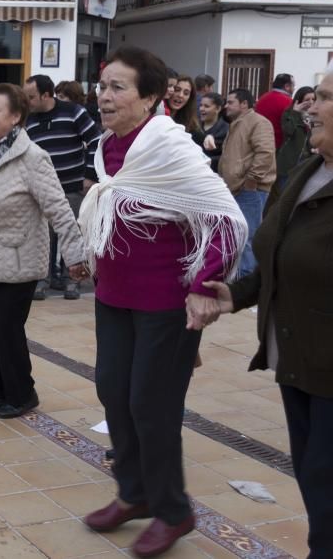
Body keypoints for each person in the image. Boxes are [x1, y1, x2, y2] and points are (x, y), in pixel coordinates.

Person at [78, 46, 246, 558]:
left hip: (165, 303)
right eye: (102, 86)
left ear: (150, 97)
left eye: (118, 87)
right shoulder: (106, 146)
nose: (104, 96)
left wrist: (203, 285)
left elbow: (222, 217)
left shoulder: (171, 147)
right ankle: (133, 493)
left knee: (152, 405)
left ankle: (174, 510)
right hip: (114, 296)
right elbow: (108, 204)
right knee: (113, 392)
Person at [203, 69, 333, 559]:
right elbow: (277, 249)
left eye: (322, 98)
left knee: (325, 480)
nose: (308, 107)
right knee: (314, 477)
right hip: (299, 358)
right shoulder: (308, 168)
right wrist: (234, 294)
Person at [0, 83, 86, 419]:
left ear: (16, 117)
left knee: (5, 328)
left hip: (18, 257)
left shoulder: (33, 159)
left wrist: (75, 254)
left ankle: (22, 394)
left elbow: (58, 209)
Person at [23, 73, 100, 300]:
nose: (27, 102)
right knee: (43, 238)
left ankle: (71, 280)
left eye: (31, 97)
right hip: (43, 191)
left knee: (72, 234)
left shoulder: (73, 112)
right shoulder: (28, 119)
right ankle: (42, 279)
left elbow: (95, 140)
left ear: (46, 95)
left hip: (72, 186)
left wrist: (89, 174)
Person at [219, 88, 276, 278]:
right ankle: (238, 278)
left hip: (250, 190)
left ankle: (245, 280)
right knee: (238, 235)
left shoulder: (259, 122)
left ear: (244, 104)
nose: (226, 106)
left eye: (230, 102)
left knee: (247, 236)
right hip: (237, 189)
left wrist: (251, 181)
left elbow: (265, 153)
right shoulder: (237, 123)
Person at [276, 86, 316, 187]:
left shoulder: (316, 115)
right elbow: (288, 131)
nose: (311, 102)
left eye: (313, 99)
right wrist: (295, 113)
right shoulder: (289, 113)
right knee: (286, 192)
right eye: (307, 99)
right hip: (290, 160)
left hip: (308, 160)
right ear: (299, 100)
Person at [255, 73, 295, 149]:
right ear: (287, 86)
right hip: (278, 146)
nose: (294, 88)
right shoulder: (288, 102)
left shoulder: (262, 98)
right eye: (293, 86)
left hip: (259, 142)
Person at [194, 92, 228, 172]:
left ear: (218, 109)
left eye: (206, 106)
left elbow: (226, 156)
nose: (201, 109)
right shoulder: (194, 126)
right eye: (201, 105)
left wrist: (204, 161)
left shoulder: (227, 129)